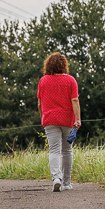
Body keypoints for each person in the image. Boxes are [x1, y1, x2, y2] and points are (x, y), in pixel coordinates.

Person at [36, 52, 80, 191]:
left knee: (54, 150)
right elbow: (75, 100)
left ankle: (56, 178)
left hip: (50, 119)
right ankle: (66, 183)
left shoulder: (43, 81)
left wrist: (43, 117)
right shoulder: (71, 80)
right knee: (67, 150)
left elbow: (39, 103)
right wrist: (78, 119)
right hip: (67, 119)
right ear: (64, 65)